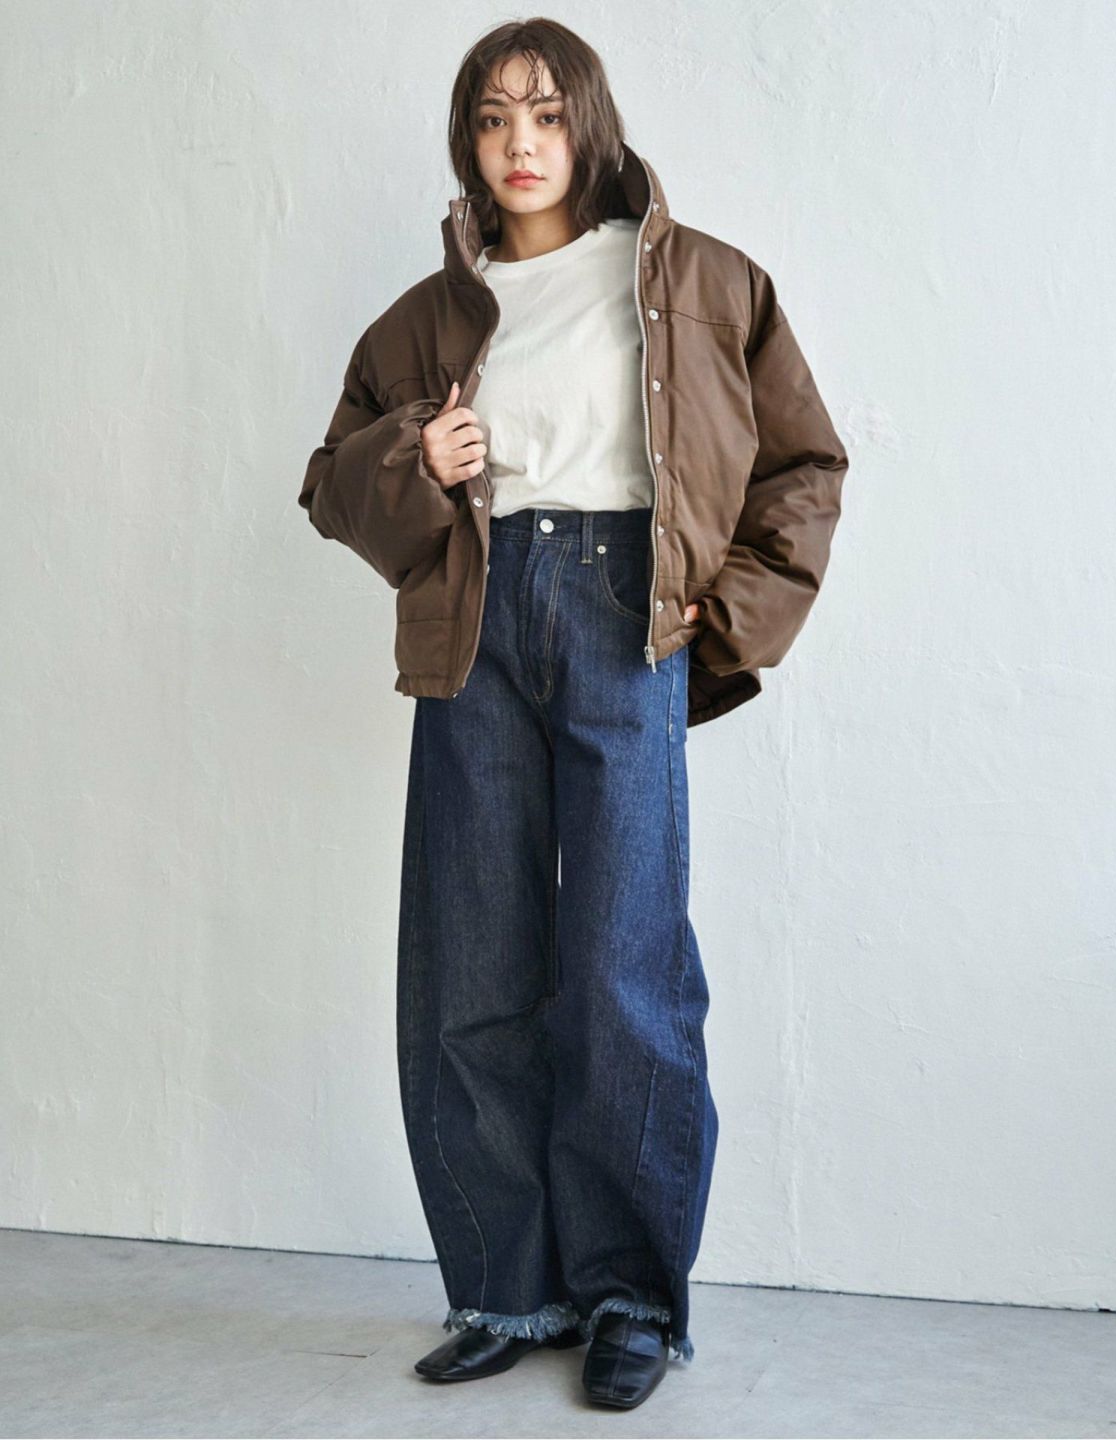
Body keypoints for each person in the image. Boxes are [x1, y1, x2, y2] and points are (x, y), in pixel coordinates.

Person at [299, 18, 849, 1412]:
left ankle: (629, 1299)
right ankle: (504, 1284)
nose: (520, 144)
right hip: (478, 619)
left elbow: (804, 463)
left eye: (545, 114)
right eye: (492, 119)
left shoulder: (700, 280)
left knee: (622, 964)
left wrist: (725, 619)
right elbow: (329, 483)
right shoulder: (433, 311)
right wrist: (412, 457)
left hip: (624, 616)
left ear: (588, 123)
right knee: (473, 962)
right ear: (467, 142)